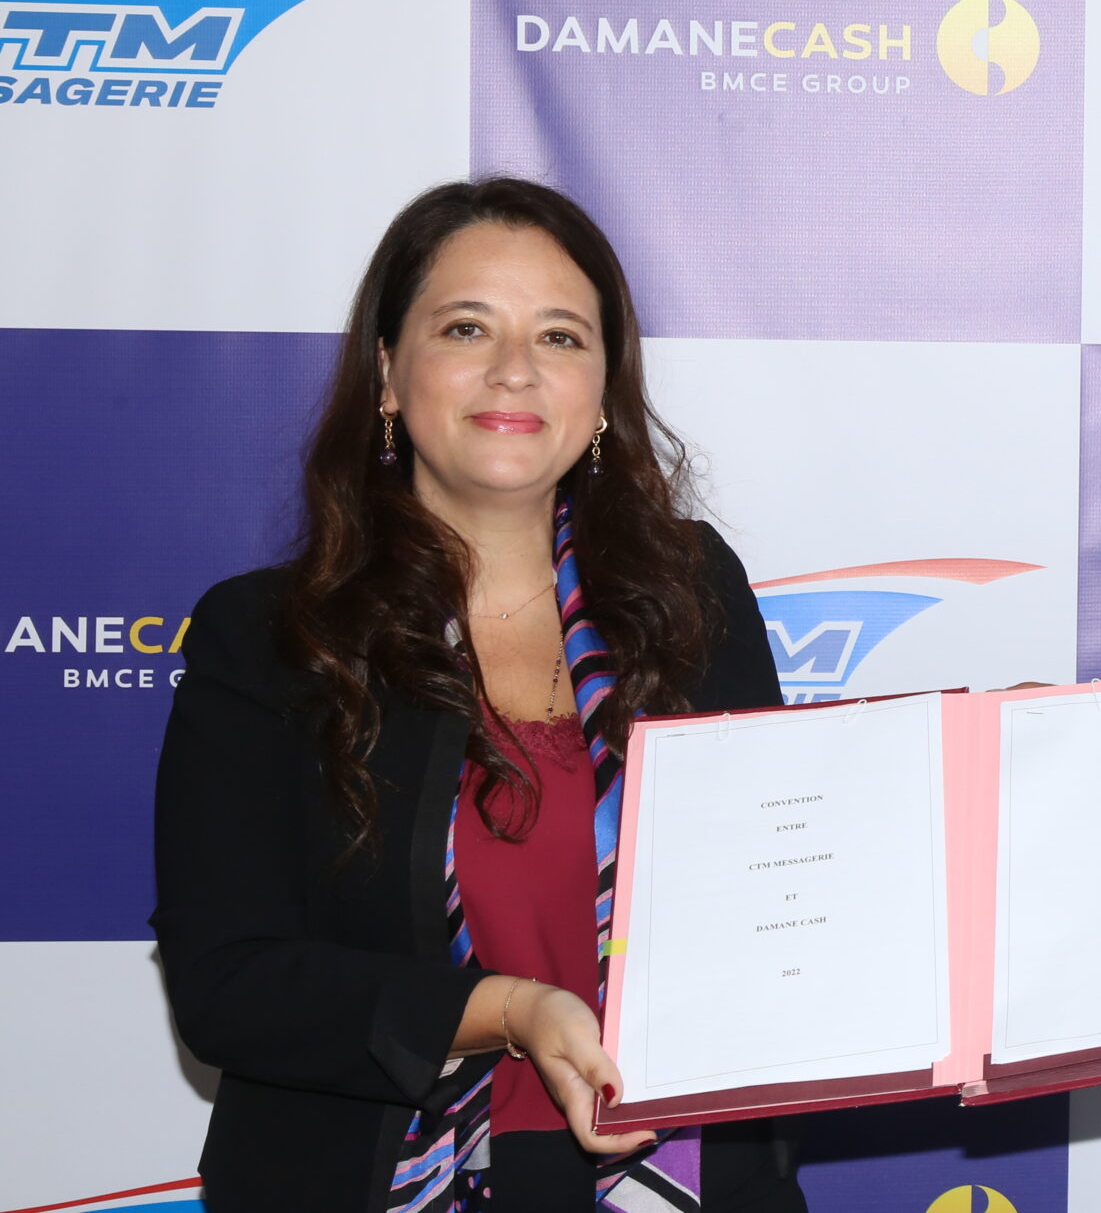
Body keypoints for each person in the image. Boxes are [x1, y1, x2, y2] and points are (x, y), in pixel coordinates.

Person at [153, 178, 806, 1213]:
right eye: (467, 327)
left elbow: (785, 885)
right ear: (386, 370)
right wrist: (508, 1011)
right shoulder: (272, 635)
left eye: (560, 336)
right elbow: (227, 984)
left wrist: (996, 800)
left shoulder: (693, 593)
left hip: (681, 1177)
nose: (514, 368)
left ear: (603, 388)